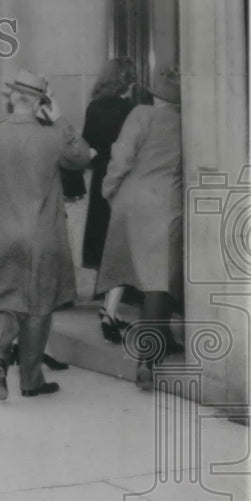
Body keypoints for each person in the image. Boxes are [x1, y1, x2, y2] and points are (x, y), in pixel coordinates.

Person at [0, 69, 91, 400]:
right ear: (40, 102)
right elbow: (83, 156)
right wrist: (60, 120)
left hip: (3, 233)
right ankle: (31, 380)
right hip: (44, 236)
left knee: (3, 298)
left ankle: (1, 357)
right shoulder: (53, 136)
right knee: (39, 304)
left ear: (12, 98)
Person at [96, 66, 184, 389]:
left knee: (141, 275)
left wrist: (109, 189)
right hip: (168, 206)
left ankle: (149, 353)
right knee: (160, 279)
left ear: (153, 93)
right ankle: (152, 352)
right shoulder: (186, 124)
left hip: (133, 203)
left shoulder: (141, 114)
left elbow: (121, 156)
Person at [81, 57, 139, 343]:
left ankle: (110, 309)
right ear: (127, 81)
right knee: (120, 247)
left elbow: (87, 147)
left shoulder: (94, 107)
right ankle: (109, 312)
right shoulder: (131, 111)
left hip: (101, 180)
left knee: (105, 244)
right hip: (123, 183)